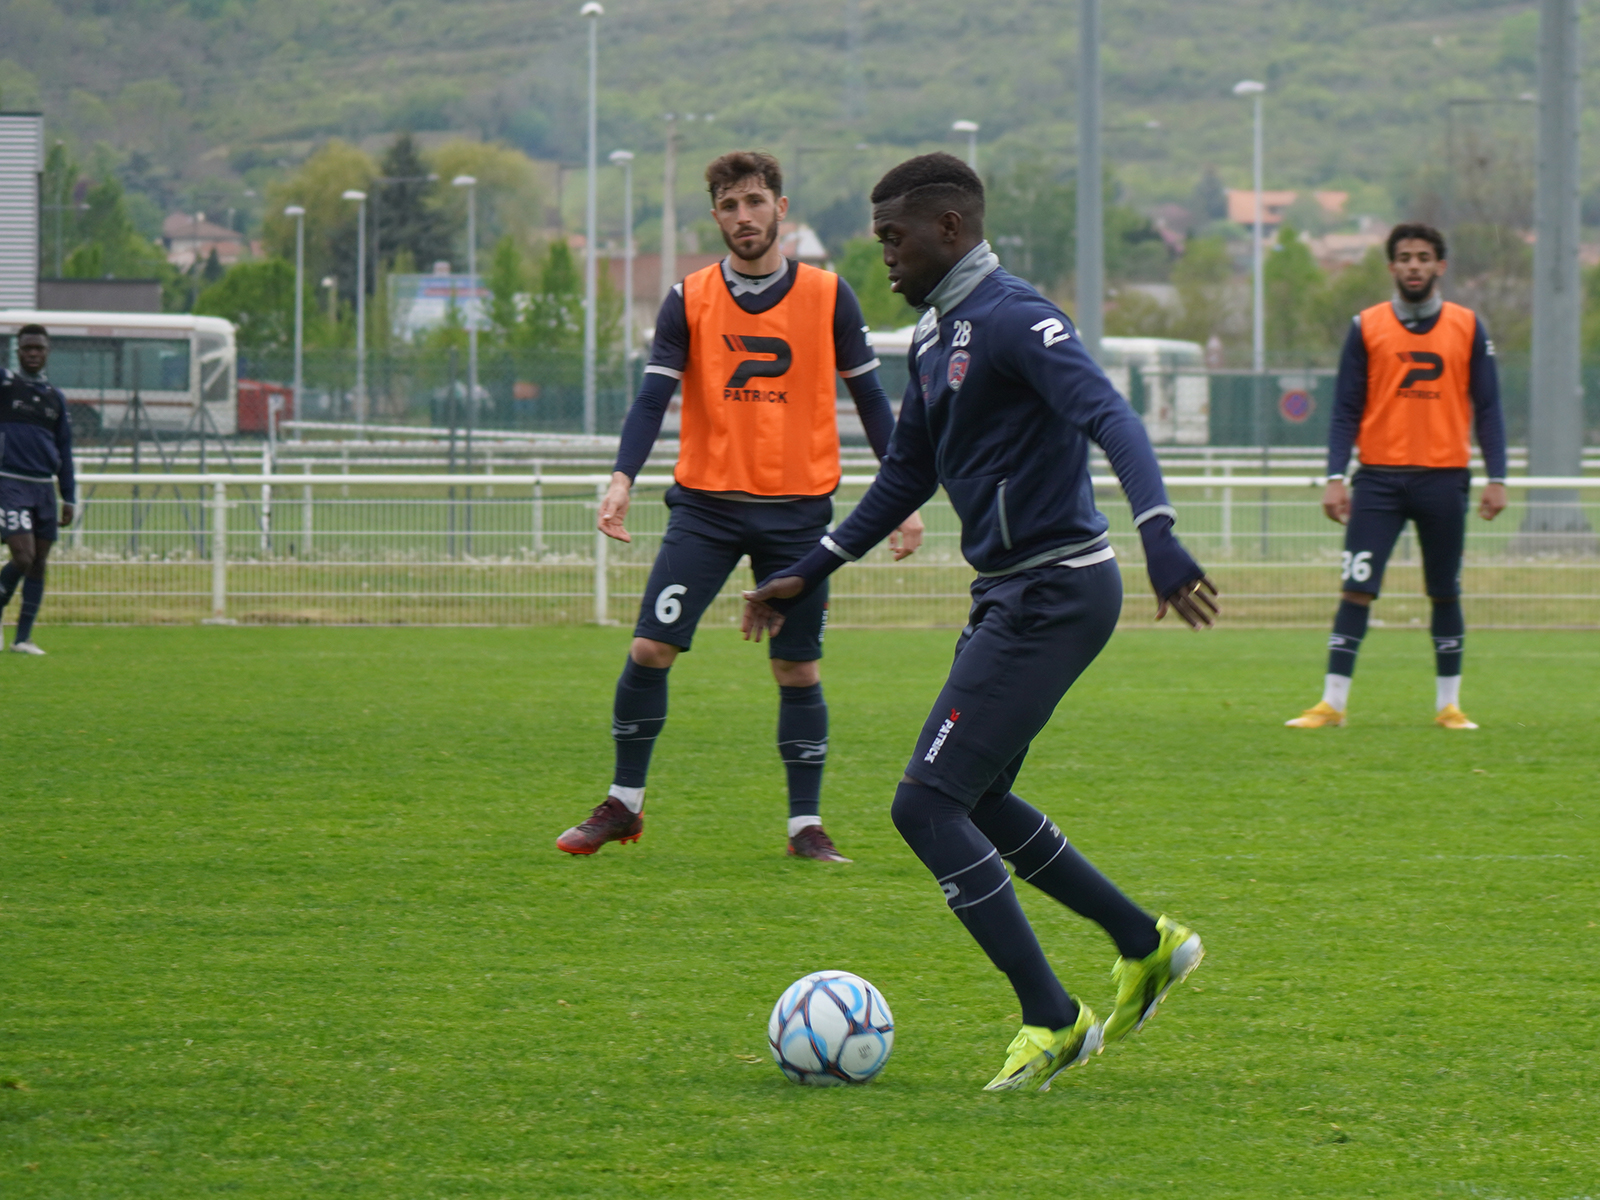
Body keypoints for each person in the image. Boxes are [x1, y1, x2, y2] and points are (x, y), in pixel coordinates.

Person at [743, 153, 1214, 1092]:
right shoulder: (931, 340)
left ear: (949, 229)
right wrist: (811, 569)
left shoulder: (1014, 318)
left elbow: (1112, 419)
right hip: (1011, 593)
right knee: (979, 797)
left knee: (924, 804)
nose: (884, 255)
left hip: (1056, 590)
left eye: (893, 238)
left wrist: (1159, 534)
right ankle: (1142, 943)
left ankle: (1052, 1017)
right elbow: (907, 478)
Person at [555, 150, 924, 862]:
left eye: (755, 202)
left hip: (797, 515)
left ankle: (804, 828)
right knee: (649, 647)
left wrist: (903, 497)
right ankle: (623, 806)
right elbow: (652, 398)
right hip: (707, 510)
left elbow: (872, 400)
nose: (743, 217)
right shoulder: (687, 297)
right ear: (717, 216)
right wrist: (621, 477)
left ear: (780, 209)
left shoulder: (828, 294)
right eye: (729, 206)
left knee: (798, 670)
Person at [1285, 222, 1507, 730]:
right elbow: (1344, 409)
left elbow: (1490, 408)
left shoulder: (1469, 327)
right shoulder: (1366, 326)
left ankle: (1448, 706)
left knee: (1445, 591)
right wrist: (1334, 477)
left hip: (1444, 478)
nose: (1414, 265)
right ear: (1391, 267)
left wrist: (1498, 476)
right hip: (1379, 480)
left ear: (1439, 266)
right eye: (1404, 257)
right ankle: (1332, 704)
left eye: (1423, 257)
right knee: (1356, 586)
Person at [0, 325, 77, 655]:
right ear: (17, 352)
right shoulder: (5, 385)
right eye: (27, 347)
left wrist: (69, 495)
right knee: (23, 555)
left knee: (38, 563)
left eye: (39, 348)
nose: (33, 353)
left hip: (44, 488)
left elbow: (65, 449)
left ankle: (22, 639)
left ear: (47, 353)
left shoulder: (54, 398)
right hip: (10, 481)